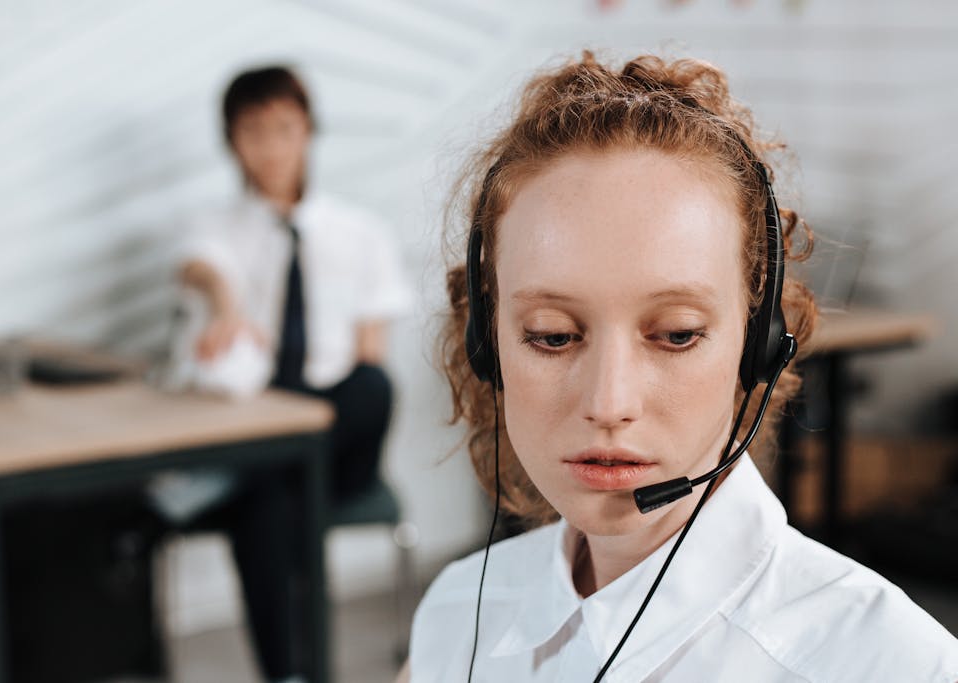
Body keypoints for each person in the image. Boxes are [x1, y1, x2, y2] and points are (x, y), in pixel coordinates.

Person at [402, 53, 958, 682]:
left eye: (677, 335)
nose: (609, 403)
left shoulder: (890, 663)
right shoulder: (457, 614)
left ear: (758, 345)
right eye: (552, 337)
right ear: (487, 344)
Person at [175, 66, 411, 682]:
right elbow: (200, 268)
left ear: (308, 131)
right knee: (272, 505)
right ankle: (293, 674)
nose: (272, 146)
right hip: (262, 430)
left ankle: (229, 481)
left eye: (285, 128)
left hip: (336, 443)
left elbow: (371, 356)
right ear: (232, 140)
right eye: (254, 131)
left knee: (372, 388)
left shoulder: (361, 232)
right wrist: (227, 306)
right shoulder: (215, 228)